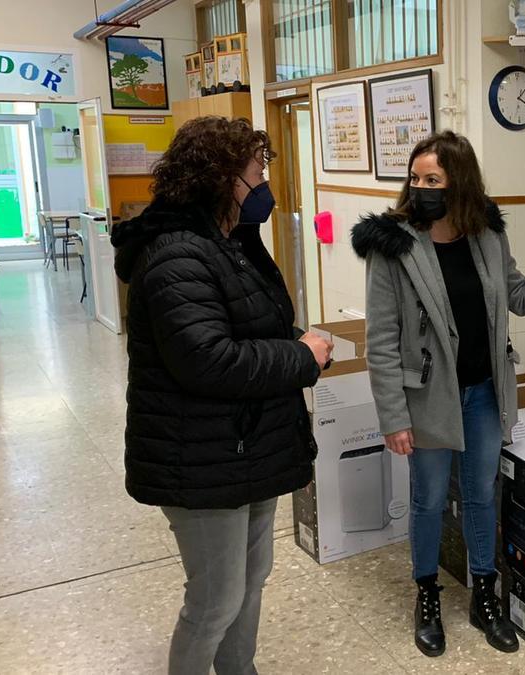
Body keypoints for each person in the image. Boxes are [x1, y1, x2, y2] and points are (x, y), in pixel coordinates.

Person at [351, 131, 525, 658]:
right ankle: (426, 592)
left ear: (461, 184)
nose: (421, 188)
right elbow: (381, 340)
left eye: (434, 180)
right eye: (416, 178)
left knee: (481, 493)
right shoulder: (394, 246)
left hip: (484, 391)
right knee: (428, 497)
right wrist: (393, 417)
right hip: (425, 396)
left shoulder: (486, 235)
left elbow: (517, 297)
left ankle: (484, 594)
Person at [111, 116, 334, 675]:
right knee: (214, 601)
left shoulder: (231, 243)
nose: (265, 185)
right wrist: (302, 357)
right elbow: (209, 362)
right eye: (256, 172)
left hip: (246, 446)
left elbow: (252, 330)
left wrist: (294, 347)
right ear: (220, 178)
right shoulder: (177, 256)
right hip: (200, 460)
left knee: (250, 582)